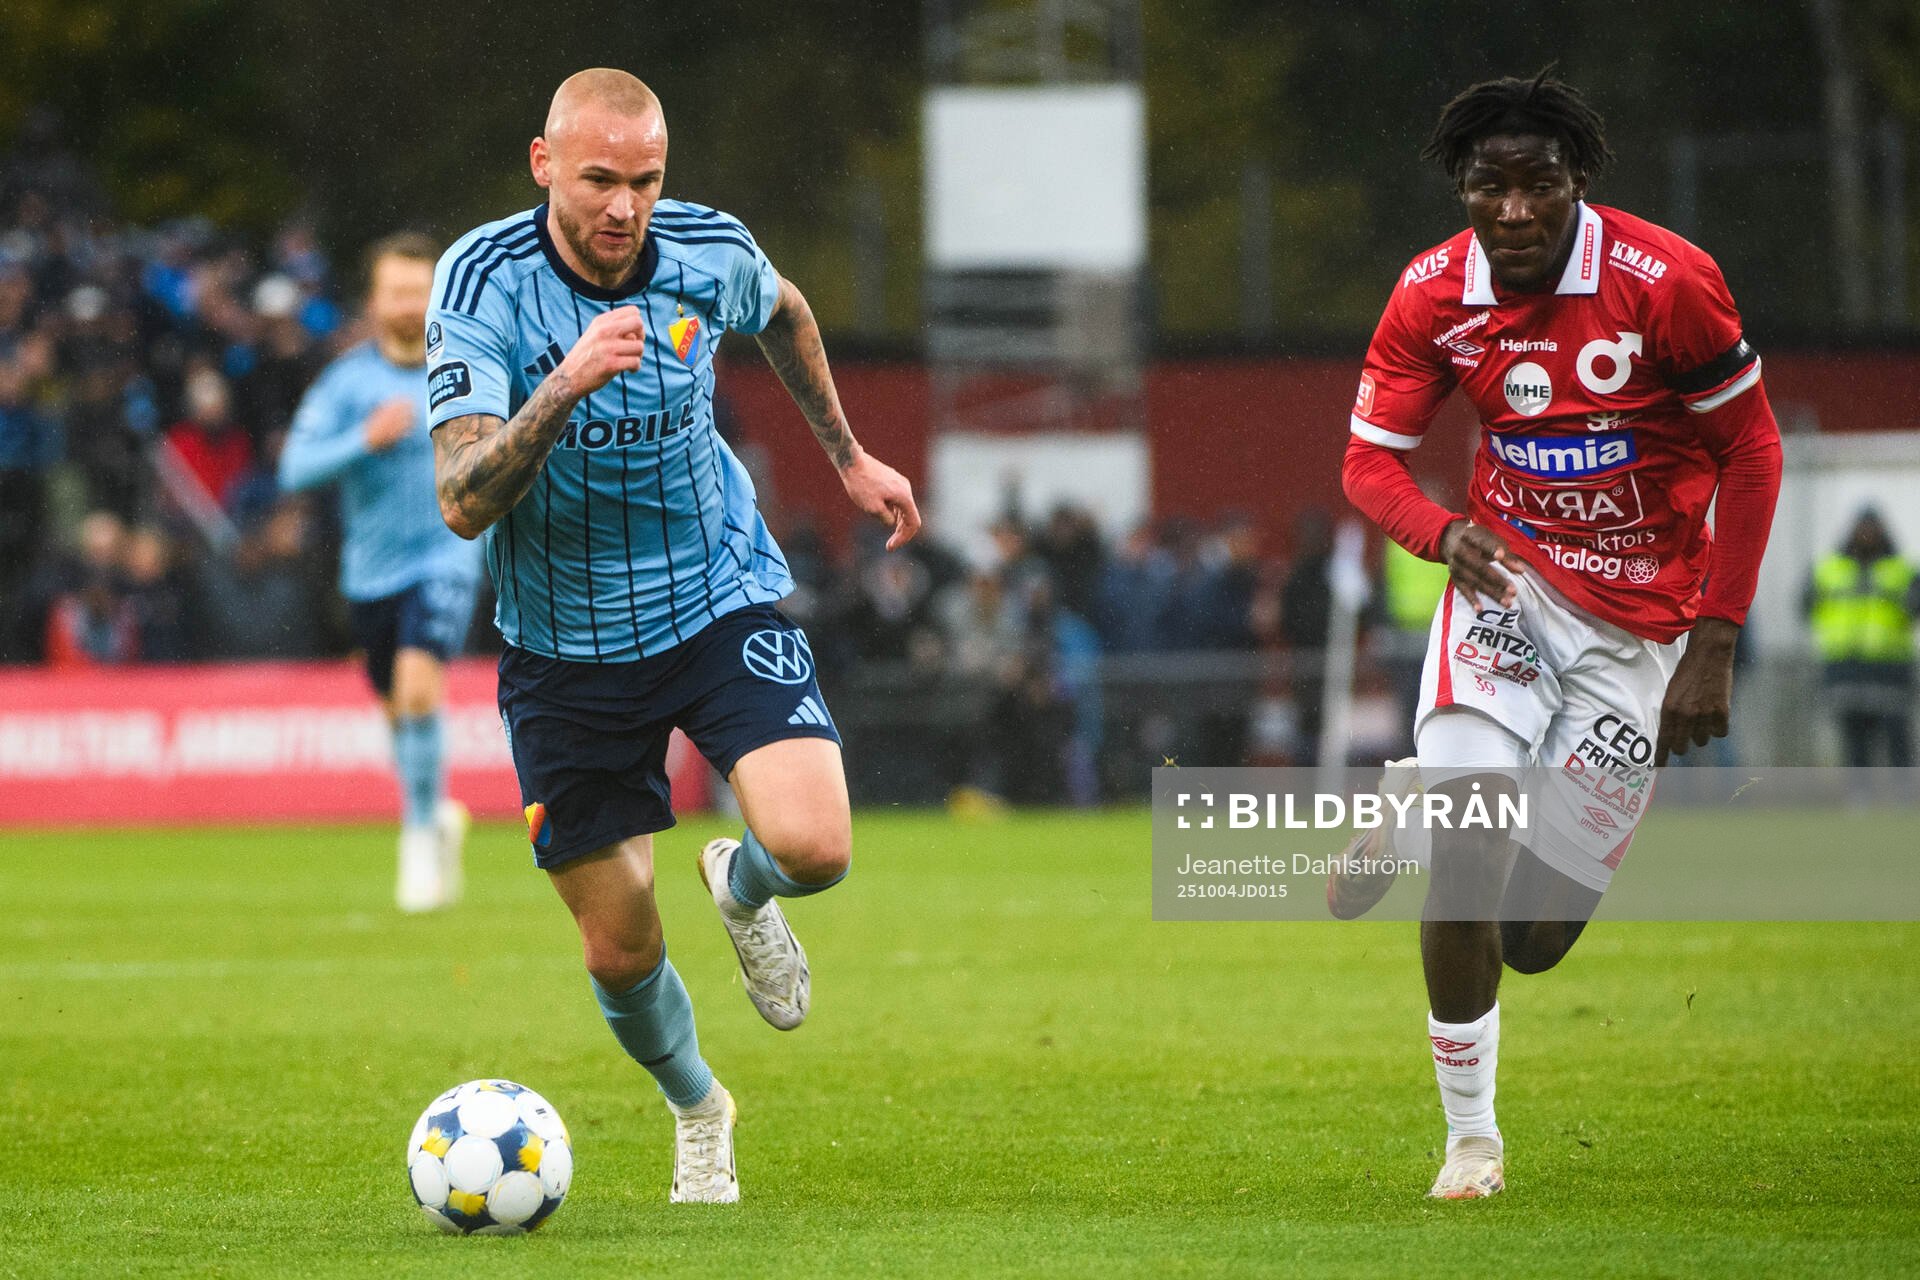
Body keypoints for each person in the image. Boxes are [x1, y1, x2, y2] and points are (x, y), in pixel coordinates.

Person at [425, 69, 920, 1205]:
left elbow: (784, 309)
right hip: (563, 641)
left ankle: (741, 887)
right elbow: (461, 497)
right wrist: (565, 381)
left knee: (816, 847)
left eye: (645, 180)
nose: (624, 208)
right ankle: (701, 1105)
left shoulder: (708, 251)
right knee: (621, 946)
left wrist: (847, 457)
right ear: (544, 163)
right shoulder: (484, 282)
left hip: (714, 594)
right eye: (599, 179)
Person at [1328, 73, 1782, 1199]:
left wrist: (1715, 640)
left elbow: (1753, 453)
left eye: (1539, 184)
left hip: (1641, 631)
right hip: (1511, 596)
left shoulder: (1666, 283)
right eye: (1491, 186)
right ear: (1463, 190)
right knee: (1471, 857)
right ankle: (1469, 1139)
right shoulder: (1433, 293)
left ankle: (1412, 792)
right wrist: (1441, 532)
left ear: (1578, 183)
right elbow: (1367, 460)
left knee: (1530, 935)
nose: (1515, 209)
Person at [279, 233, 481, 912]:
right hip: (371, 573)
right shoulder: (347, 384)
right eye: (396, 291)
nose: (408, 303)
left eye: (420, 291)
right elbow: (294, 470)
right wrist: (361, 440)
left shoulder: (466, 367)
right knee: (398, 707)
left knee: (419, 689)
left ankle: (418, 835)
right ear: (373, 301)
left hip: (447, 556)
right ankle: (434, 811)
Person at [1804, 507, 1917, 767]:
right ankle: (1861, 797)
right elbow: (1806, 603)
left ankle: (1903, 796)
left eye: (1872, 528)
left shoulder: (1902, 569)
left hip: (1890, 669)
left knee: (1898, 739)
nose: (1867, 535)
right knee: (1855, 741)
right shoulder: (1829, 568)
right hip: (1846, 669)